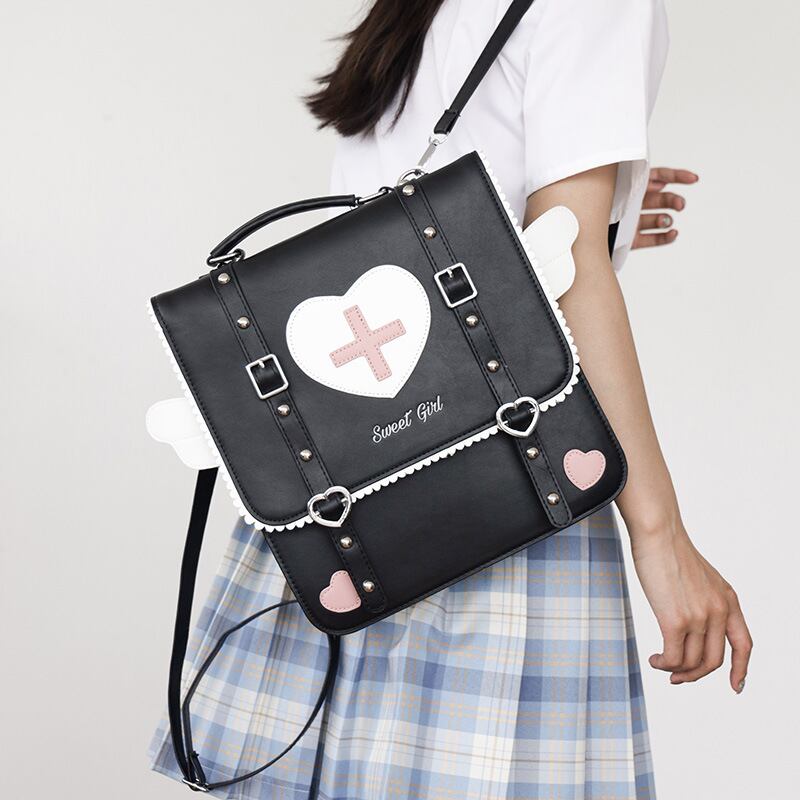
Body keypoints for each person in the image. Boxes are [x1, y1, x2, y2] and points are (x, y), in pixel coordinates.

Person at [150, 2, 751, 798]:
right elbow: (574, 275)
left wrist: (585, 207)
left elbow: (396, 217)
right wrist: (661, 536)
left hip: (341, 502)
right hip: (501, 482)